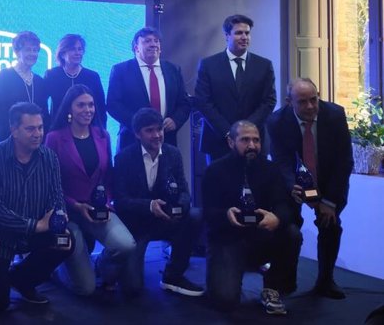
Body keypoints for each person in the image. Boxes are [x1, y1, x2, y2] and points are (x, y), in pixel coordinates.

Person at [0, 102, 74, 311]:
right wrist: (35, 225)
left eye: (40, 127)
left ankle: (22, 280)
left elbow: (57, 196)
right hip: (0, 238)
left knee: (67, 241)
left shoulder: (48, 156)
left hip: (36, 232)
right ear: (14, 130)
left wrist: (60, 220)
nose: (37, 134)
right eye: (30, 129)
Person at [266, 78, 353, 299]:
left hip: (327, 179)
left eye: (314, 100)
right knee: (289, 227)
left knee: (331, 226)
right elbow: (281, 160)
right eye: (303, 102)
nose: (310, 107)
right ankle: (287, 282)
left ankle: (326, 280)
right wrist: (290, 186)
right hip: (294, 181)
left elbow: (344, 161)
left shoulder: (334, 115)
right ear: (289, 102)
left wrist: (330, 201)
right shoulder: (277, 121)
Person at [203, 120, 301, 315]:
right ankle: (230, 269)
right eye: (245, 140)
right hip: (228, 237)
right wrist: (225, 214)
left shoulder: (271, 169)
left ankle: (272, 287)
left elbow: (284, 204)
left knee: (291, 233)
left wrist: (277, 218)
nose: (252, 145)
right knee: (225, 300)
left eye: (256, 140)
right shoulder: (214, 170)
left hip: (260, 234)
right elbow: (207, 212)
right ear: (231, 142)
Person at [46, 84, 135, 295]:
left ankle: (101, 267)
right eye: (81, 105)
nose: (87, 109)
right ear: (69, 108)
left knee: (127, 245)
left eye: (91, 105)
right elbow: (50, 184)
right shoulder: (54, 138)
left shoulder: (103, 135)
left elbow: (108, 176)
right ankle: (57, 269)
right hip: (68, 213)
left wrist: (106, 202)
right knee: (85, 289)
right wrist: (75, 205)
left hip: (97, 211)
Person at [113, 108, 203, 297]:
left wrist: (178, 208)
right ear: (137, 134)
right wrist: (149, 206)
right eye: (150, 130)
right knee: (132, 289)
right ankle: (105, 263)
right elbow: (120, 202)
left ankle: (173, 276)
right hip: (136, 225)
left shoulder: (173, 154)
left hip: (166, 219)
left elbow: (184, 192)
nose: (157, 135)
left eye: (159, 129)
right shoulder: (124, 158)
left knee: (194, 216)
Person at [194, 14, 277, 161]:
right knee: (221, 184)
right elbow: (203, 102)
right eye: (239, 33)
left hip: (255, 141)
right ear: (226, 35)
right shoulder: (208, 65)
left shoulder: (264, 65)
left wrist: (247, 131)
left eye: (247, 33)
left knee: (257, 183)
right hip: (219, 141)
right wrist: (229, 133)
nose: (244, 37)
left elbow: (269, 101)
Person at [107, 27, 190, 150]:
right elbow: (113, 105)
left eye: (156, 41)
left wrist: (175, 120)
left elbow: (184, 103)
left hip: (167, 141)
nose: (153, 44)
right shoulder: (121, 70)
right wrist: (139, 125)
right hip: (132, 140)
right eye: (147, 41)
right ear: (136, 48)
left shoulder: (173, 70)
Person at [0, 31, 49, 142]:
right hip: (11, 141)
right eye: (28, 49)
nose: (32, 54)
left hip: (36, 141)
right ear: (17, 52)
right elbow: (0, 112)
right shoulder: (5, 76)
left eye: (35, 50)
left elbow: (45, 114)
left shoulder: (39, 81)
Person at [44, 34, 106, 127]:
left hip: (88, 131)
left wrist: (101, 133)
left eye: (80, 49)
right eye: (73, 49)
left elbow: (101, 109)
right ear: (62, 53)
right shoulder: (52, 75)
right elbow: (43, 105)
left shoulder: (92, 77)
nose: (77, 53)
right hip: (58, 131)